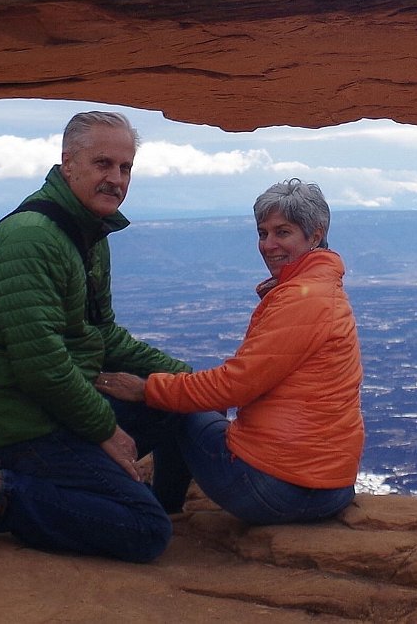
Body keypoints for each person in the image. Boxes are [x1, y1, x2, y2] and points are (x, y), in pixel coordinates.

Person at [0, 111, 192, 563]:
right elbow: (41, 366)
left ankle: (157, 503)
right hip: (19, 424)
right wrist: (105, 430)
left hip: (52, 408)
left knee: (180, 404)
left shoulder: (86, 234)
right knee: (145, 532)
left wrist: (187, 379)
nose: (116, 178)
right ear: (67, 163)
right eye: (103, 164)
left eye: (125, 167)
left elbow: (103, 334)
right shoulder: (33, 239)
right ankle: (1, 488)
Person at [98, 178, 364, 525]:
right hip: (328, 486)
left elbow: (235, 385)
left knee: (176, 405)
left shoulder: (304, 299)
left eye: (282, 232)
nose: (269, 245)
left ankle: (158, 512)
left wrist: (147, 389)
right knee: (184, 394)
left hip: (278, 489)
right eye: (262, 233)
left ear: (315, 235)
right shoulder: (322, 290)